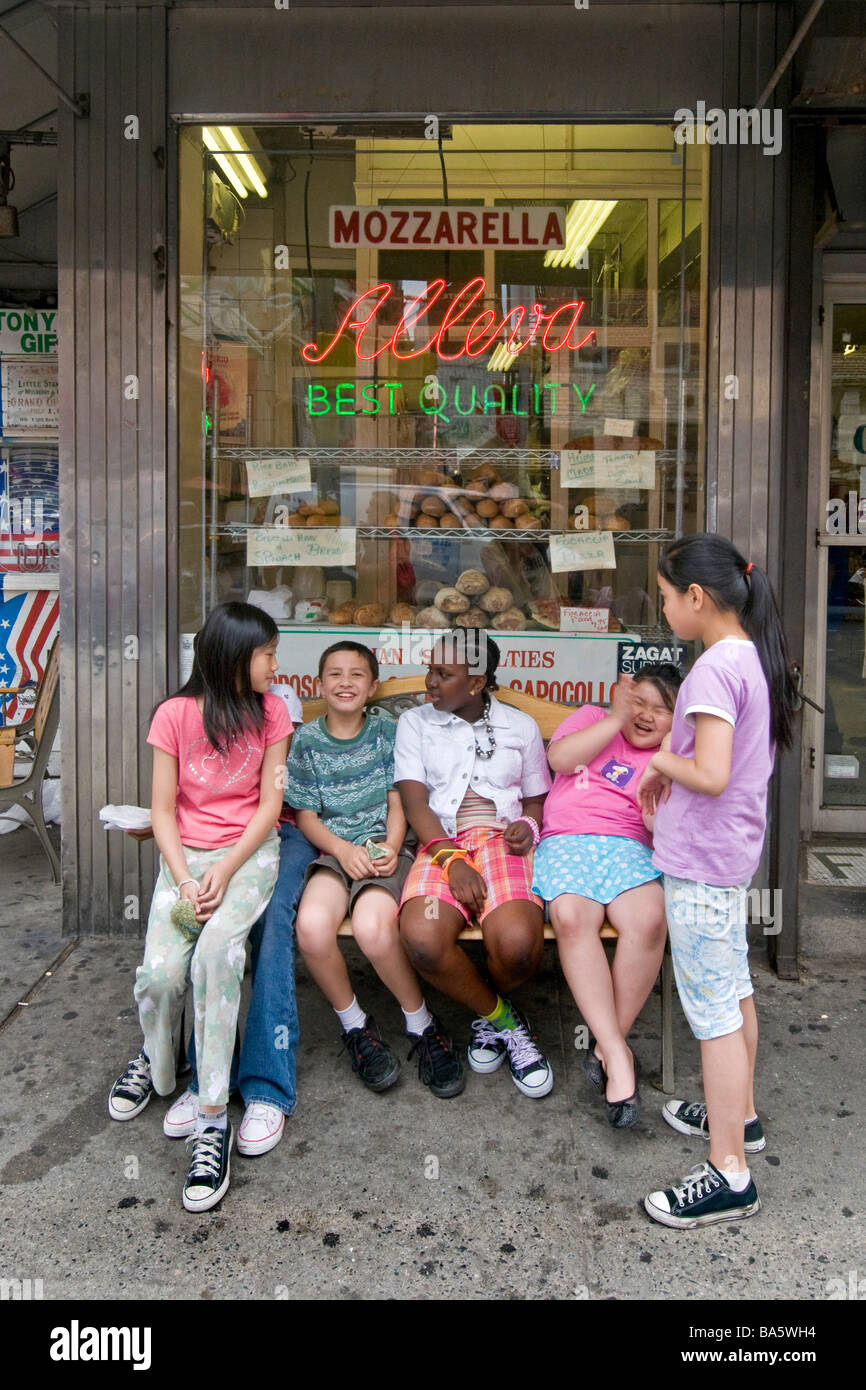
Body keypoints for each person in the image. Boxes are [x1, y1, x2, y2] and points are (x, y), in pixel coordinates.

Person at [108, 601, 290, 1213]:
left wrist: (225, 870)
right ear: (235, 657)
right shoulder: (174, 715)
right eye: (266, 653)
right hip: (185, 859)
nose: (273, 663)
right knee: (160, 975)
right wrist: (187, 879)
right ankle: (158, 1062)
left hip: (248, 856)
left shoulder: (274, 711)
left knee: (216, 956)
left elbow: (270, 806)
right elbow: (163, 808)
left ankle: (212, 1116)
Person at [638, 534, 796, 1228]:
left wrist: (658, 762)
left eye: (667, 599)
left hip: (701, 864)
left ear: (696, 598)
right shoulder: (749, 657)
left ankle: (730, 1171)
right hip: (730, 856)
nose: (665, 609)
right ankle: (743, 1115)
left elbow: (710, 772)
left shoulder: (708, 671)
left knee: (712, 1017)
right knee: (732, 990)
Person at [396, 630, 553, 1099]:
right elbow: (415, 804)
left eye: (445, 674)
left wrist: (529, 826)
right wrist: (451, 860)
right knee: (422, 940)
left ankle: (486, 1010)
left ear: (478, 681)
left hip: (502, 843)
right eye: (431, 669)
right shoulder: (415, 724)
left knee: (521, 947)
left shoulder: (519, 727)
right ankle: (504, 1020)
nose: (430, 681)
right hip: (440, 842)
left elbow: (535, 800)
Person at [533, 662, 683, 1127]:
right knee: (574, 918)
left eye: (662, 710)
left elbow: (664, 831)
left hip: (629, 845)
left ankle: (604, 1043)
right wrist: (614, 719)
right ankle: (618, 1055)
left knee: (649, 920)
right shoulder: (590, 717)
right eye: (639, 702)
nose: (646, 716)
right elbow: (558, 761)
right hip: (567, 838)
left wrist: (668, 761)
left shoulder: (672, 756)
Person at [288, 641, 440, 1094]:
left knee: (374, 927)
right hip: (334, 851)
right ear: (318, 684)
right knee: (312, 927)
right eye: (334, 674)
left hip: (385, 849)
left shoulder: (387, 731)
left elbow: (399, 798)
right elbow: (306, 815)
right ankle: (355, 1025)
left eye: (356, 675)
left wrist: (392, 846)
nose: (345, 683)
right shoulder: (306, 741)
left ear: (373, 686)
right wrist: (340, 848)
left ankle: (421, 1023)